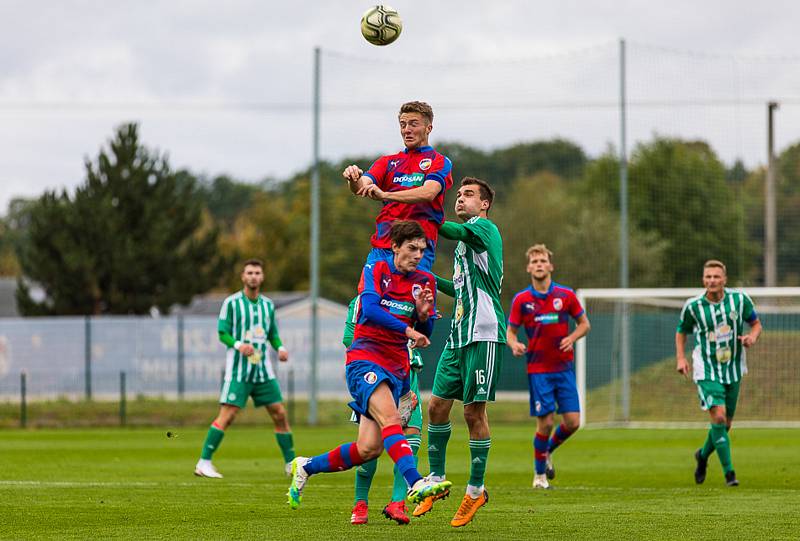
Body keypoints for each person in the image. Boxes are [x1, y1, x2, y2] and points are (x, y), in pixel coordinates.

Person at [287, 221, 452, 510]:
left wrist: (424, 317)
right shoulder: (376, 270)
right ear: (395, 246)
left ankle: (307, 466)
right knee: (391, 418)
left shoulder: (425, 281)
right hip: (365, 359)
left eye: (422, 250)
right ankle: (415, 482)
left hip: (398, 367)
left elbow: (426, 333)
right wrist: (408, 330)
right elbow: (372, 310)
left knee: (368, 449)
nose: (417, 255)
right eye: (411, 248)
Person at [416, 177, 505, 528]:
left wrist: (426, 212)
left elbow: (454, 231)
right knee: (436, 406)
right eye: (459, 195)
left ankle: (475, 489)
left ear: (484, 204)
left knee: (472, 413)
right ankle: (437, 481)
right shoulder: (465, 244)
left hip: (484, 333)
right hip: (457, 334)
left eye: (468, 195)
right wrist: (428, 278)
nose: (460, 199)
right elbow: (458, 288)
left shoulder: (484, 229)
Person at [195, 259, 294, 478]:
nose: (253, 276)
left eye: (257, 272)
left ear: (262, 277)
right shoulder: (231, 303)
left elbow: (272, 335)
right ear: (243, 277)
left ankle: (290, 464)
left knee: (280, 413)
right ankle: (204, 462)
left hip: (263, 371)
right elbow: (222, 332)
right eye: (249, 272)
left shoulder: (268, 305)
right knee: (228, 415)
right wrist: (239, 345)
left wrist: (281, 348)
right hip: (239, 371)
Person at [506, 244, 591, 489]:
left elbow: (584, 324)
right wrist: (514, 344)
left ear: (550, 265)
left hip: (563, 369)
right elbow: (510, 331)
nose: (539, 264)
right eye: (534, 261)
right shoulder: (522, 300)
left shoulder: (565, 295)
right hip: (539, 370)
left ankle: (547, 451)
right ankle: (539, 476)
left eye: (542, 260)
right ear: (528, 268)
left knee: (573, 422)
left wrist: (572, 337)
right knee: (545, 423)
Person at [676, 260, 762, 487]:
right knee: (719, 417)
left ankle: (702, 456)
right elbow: (681, 331)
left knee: (726, 425)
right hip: (706, 368)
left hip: (733, 368)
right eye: (707, 277)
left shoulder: (739, 300)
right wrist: (681, 358)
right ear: (703, 279)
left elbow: (755, 324)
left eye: (716, 277)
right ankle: (730, 474)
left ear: (724, 279)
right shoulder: (693, 306)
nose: (711, 281)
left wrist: (752, 337)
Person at [342, 101, 453, 275]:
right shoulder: (387, 162)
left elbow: (429, 192)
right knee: (369, 300)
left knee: (409, 302)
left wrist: (386, 195)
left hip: (417, 249)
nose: (406, 130)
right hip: (383, 247)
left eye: (413, 124)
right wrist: (353, 177)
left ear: (428, 128)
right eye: (403, 125)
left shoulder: (439, 161)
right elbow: (360, 187)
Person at [344, 293, 425, 525]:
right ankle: (360, 503)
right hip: (376, 378)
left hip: (406, 377)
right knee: (369, 447)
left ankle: (397, 503)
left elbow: (421, 332)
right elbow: (349, 337)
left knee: (411, 438)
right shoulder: (363, 300)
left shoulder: (414, 293)